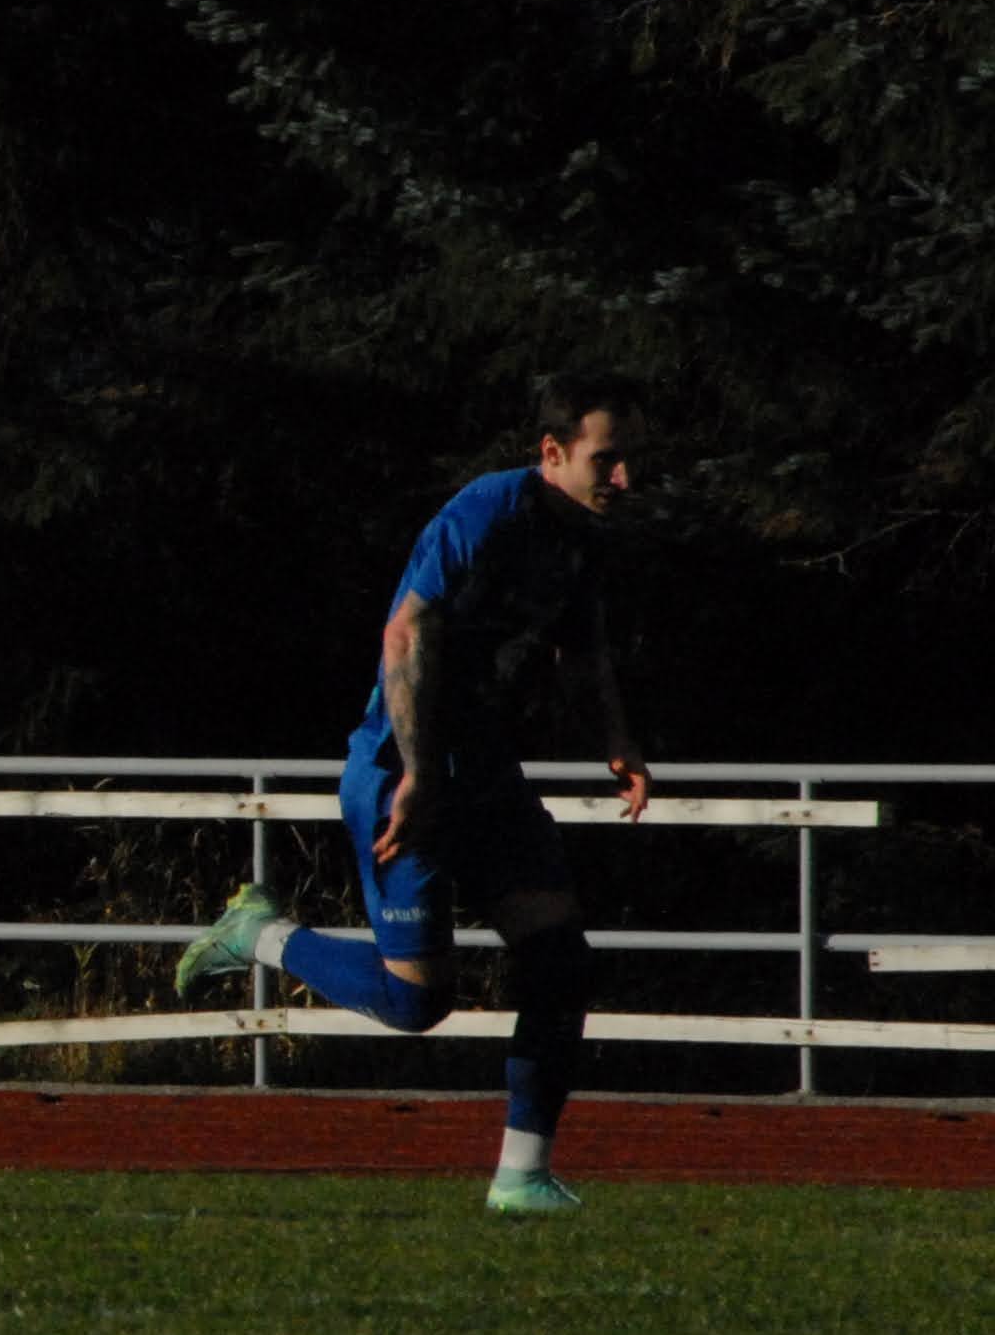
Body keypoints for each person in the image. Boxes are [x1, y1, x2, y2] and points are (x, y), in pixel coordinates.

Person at [174, 372, 651, 1214]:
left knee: (561, 963)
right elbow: (406, 630)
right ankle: (257, 935)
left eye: (630, 460)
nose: (624, 478)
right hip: (404, 773)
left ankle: (521, 1179)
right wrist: (421, 774)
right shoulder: (488, 510)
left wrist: (617, 739)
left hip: (488, 773)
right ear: (552, 452)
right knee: (417, 1002)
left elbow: (581, 648)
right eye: (606, 460)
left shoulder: (582, 536)